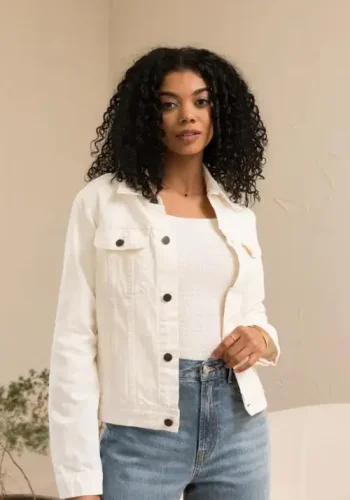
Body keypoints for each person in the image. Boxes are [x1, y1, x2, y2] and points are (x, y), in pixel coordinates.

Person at [48, 46, 280, 500]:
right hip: (142, 438)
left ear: (220, 112)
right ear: (146, 116)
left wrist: (262, 338)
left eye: (201, 101)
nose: (187, 116)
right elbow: (74, 339)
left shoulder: (236, 215)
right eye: (168, 104)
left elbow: (256, 315)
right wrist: (78, 481)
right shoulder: (102, 204)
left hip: (239, 429)